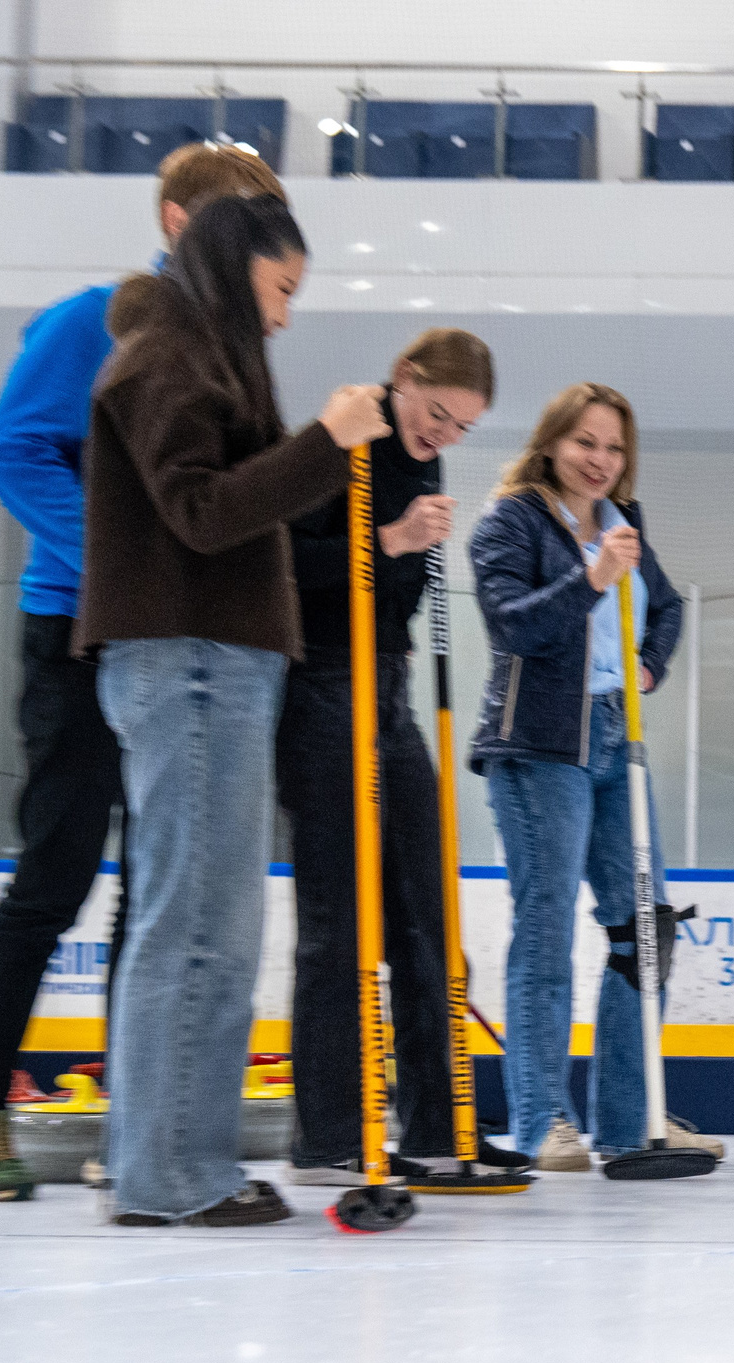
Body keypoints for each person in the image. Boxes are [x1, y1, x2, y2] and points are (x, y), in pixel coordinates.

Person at [0, 142, 286, 1205]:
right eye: (236, 216)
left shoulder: (226, 339)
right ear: (177, 219)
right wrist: (109, 561)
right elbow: (13, 448)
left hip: (176, 633)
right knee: (55, 875)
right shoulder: (105, 320)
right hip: (81, 625)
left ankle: (136, 1118)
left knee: (167, 883)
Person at [78, 194, 390, 1226]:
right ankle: (167, 1170)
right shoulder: (165, 358)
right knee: (197, 928)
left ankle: (180, 1157)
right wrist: (329, 441)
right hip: (192, 662)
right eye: (281, 290)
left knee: (214, 923)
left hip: (214, 662)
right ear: (231, 265)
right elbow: (205, 513)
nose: (287, 316)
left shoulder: (193, 355)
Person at [279, 329, 524, 1186]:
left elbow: (400, 593)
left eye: (462, 429)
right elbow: (280, 563)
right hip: (319, 684)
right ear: (404, 379)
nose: (444, 438)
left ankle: (438, 1122)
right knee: (341, 918)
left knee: (428, 907)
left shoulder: (425, 459)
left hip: (387, 682)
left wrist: (406, 551)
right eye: (438, 416)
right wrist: (388, 541)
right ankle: (329, 1134)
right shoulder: (344, 432)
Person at [469, 383, 696, 1172]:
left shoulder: (624, 524)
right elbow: (513, 625)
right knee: (546, 928)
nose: (600, 461)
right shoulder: (512, 520)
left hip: (615, 735)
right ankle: (542, 1121)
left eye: (614, 447)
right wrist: (592, 578)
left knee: (648, 928)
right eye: (585, 443)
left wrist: (650, 663)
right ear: (552, 443)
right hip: (537, 746)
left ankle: (632, 1122)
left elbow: (665, 607)